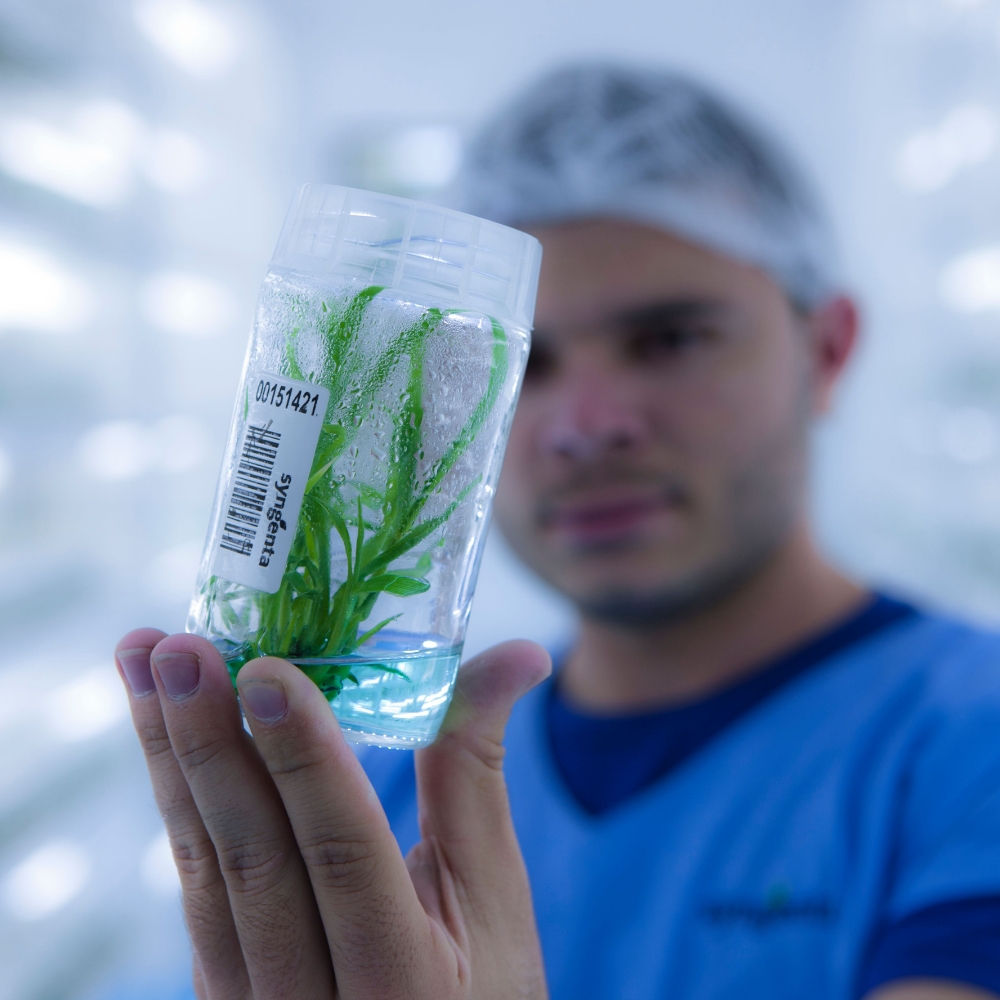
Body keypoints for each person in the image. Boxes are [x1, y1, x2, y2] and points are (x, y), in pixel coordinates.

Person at [114, 63, 1000, 1000]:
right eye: (521, 365)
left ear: (827, 350)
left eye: (670, 338)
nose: (585, 425)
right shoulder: (375, 776)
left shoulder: (965, 742)